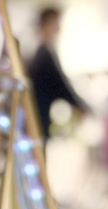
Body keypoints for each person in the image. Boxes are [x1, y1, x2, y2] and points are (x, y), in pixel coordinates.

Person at [27, 7, 88, 139]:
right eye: (55, 23)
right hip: (37, 114)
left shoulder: (43, 52)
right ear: (45, 24)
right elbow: (59, 84)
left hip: (39, 114)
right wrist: (79, 105)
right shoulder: (43, 55)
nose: (58, 28)